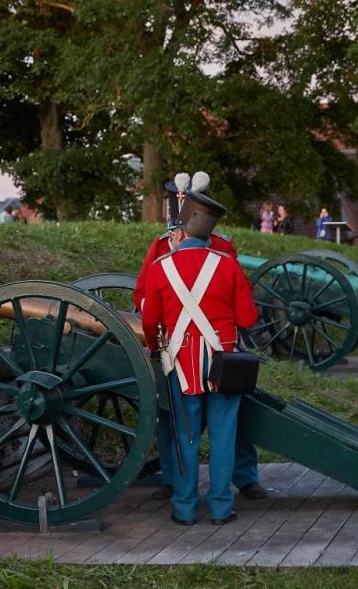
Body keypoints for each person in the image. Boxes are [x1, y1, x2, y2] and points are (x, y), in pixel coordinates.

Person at [134, 171, 266, 503]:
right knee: (173, 421)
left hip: (209, 347)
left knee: (233, 420)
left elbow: (239, 293)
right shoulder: (161, 245)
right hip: (184, 344)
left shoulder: (220, 244)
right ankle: (172, 479)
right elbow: (142, 294)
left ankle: (245, 478)